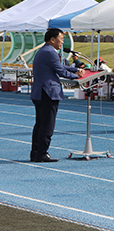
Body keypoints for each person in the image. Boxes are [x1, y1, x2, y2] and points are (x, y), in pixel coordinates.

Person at [29, 28, 79, 162]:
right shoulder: (50, 52)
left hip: (40, 92)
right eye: (61, 39)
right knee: (47, 125)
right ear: (52, 39)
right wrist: (76, 75)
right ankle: (42, 153)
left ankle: (36, 152)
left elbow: (60, 66)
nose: (62, 42)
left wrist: (76, 69)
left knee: (40, 124)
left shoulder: (44, 51)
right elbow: (60, 70)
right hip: (48, 93)